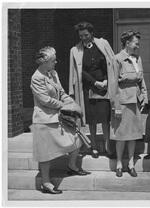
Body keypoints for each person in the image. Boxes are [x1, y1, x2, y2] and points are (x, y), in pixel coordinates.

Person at [31, 46, 90, 195]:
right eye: (53, 60)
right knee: (45, 153)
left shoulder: (53, 73)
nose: (56, 62)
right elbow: (45, 100)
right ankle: (46, 182)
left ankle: (72, 166)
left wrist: (72, 103)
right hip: (43, 120)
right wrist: (65, 106)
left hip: (57, 116)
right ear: (44, 62)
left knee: (77, 138)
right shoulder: (36, 78)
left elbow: (61, 92)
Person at [69, 22, 116, 158]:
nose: (83, 38)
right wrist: (95, 82)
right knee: (92, 119)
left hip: (104, 87)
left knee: (105, 118)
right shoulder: (75, 50)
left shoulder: (103, 44)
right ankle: (94, 147)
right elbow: (79, 72)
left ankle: (108, 147)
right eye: (81, 36)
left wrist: (107, 80)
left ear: (92, 33)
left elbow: (111, 64)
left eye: (86, 35)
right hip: (88, 88)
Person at [111, 30, 148, 177]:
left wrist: (144, 96)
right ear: (127, 43)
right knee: (121, 134)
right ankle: (120, 163)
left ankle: (131, 163)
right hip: (123, 102)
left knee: (133, 134)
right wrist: (116, 106)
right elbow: (113, 84)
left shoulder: (137, 59)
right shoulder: (117, 59)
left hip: (135, 102)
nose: (138, 46)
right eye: (136, 43)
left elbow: (141, 80)